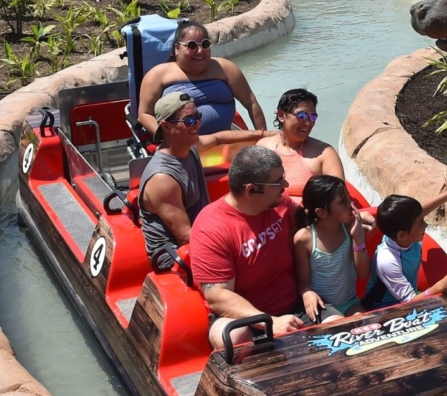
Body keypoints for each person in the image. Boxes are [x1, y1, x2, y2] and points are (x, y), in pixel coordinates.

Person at [192, 146, 325, 350]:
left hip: (296, 304)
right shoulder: (211, 228)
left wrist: (349, 222)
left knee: (339, 324)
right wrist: (269, 321)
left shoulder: (279, 203)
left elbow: (308, 217)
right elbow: (218, 297)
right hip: (245, 317)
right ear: (252, 190)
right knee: (231, 336)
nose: (285, 185)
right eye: (278, 181)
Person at [139, 92, 274, 272]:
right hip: (175, 258)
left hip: (204, 232)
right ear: (166, 127)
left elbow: (219, 138)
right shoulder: (163, 179)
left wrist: (266, 134)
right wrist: (240, 242)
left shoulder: (189, 148)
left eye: (197, 117)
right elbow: (186, 236)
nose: (197, 124)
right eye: (188, 121)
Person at [138, 21, 265, 138]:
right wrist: (168, 139)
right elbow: (144, 114)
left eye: (205, 44)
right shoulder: (158, 74)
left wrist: (263, 138)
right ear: (177, 48)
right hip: (181, 146)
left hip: (225, 140)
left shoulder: (225, 68)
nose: (200, 51)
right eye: (192, 46)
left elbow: (251, 103)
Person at [362, 173, 447, 309]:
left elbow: (421, 211)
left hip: (409, 298)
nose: (425, 225)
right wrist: (440, 286)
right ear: (402, 235)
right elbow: (410, 302)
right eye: (421, 223)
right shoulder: (387, 260)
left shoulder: (403, 233)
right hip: (382, 308)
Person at [293, 175, 370, 322]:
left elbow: (363, 274)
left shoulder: (350, 228)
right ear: (321, 212)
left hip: (350, 304)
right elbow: (303, 283)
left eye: (348, 197)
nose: (351, 204)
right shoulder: (304, 239)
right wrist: (306, 292)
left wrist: (358, 239)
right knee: (339, 330)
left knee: (369, 327)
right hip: (323, 307)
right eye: (342, 202)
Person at [256, 88, 344, 193]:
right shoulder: (264, 147)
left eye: (313, 117)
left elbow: (338, 197)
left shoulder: (324, 153)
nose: (308, 123)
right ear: (281, 116)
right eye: (301, 115)